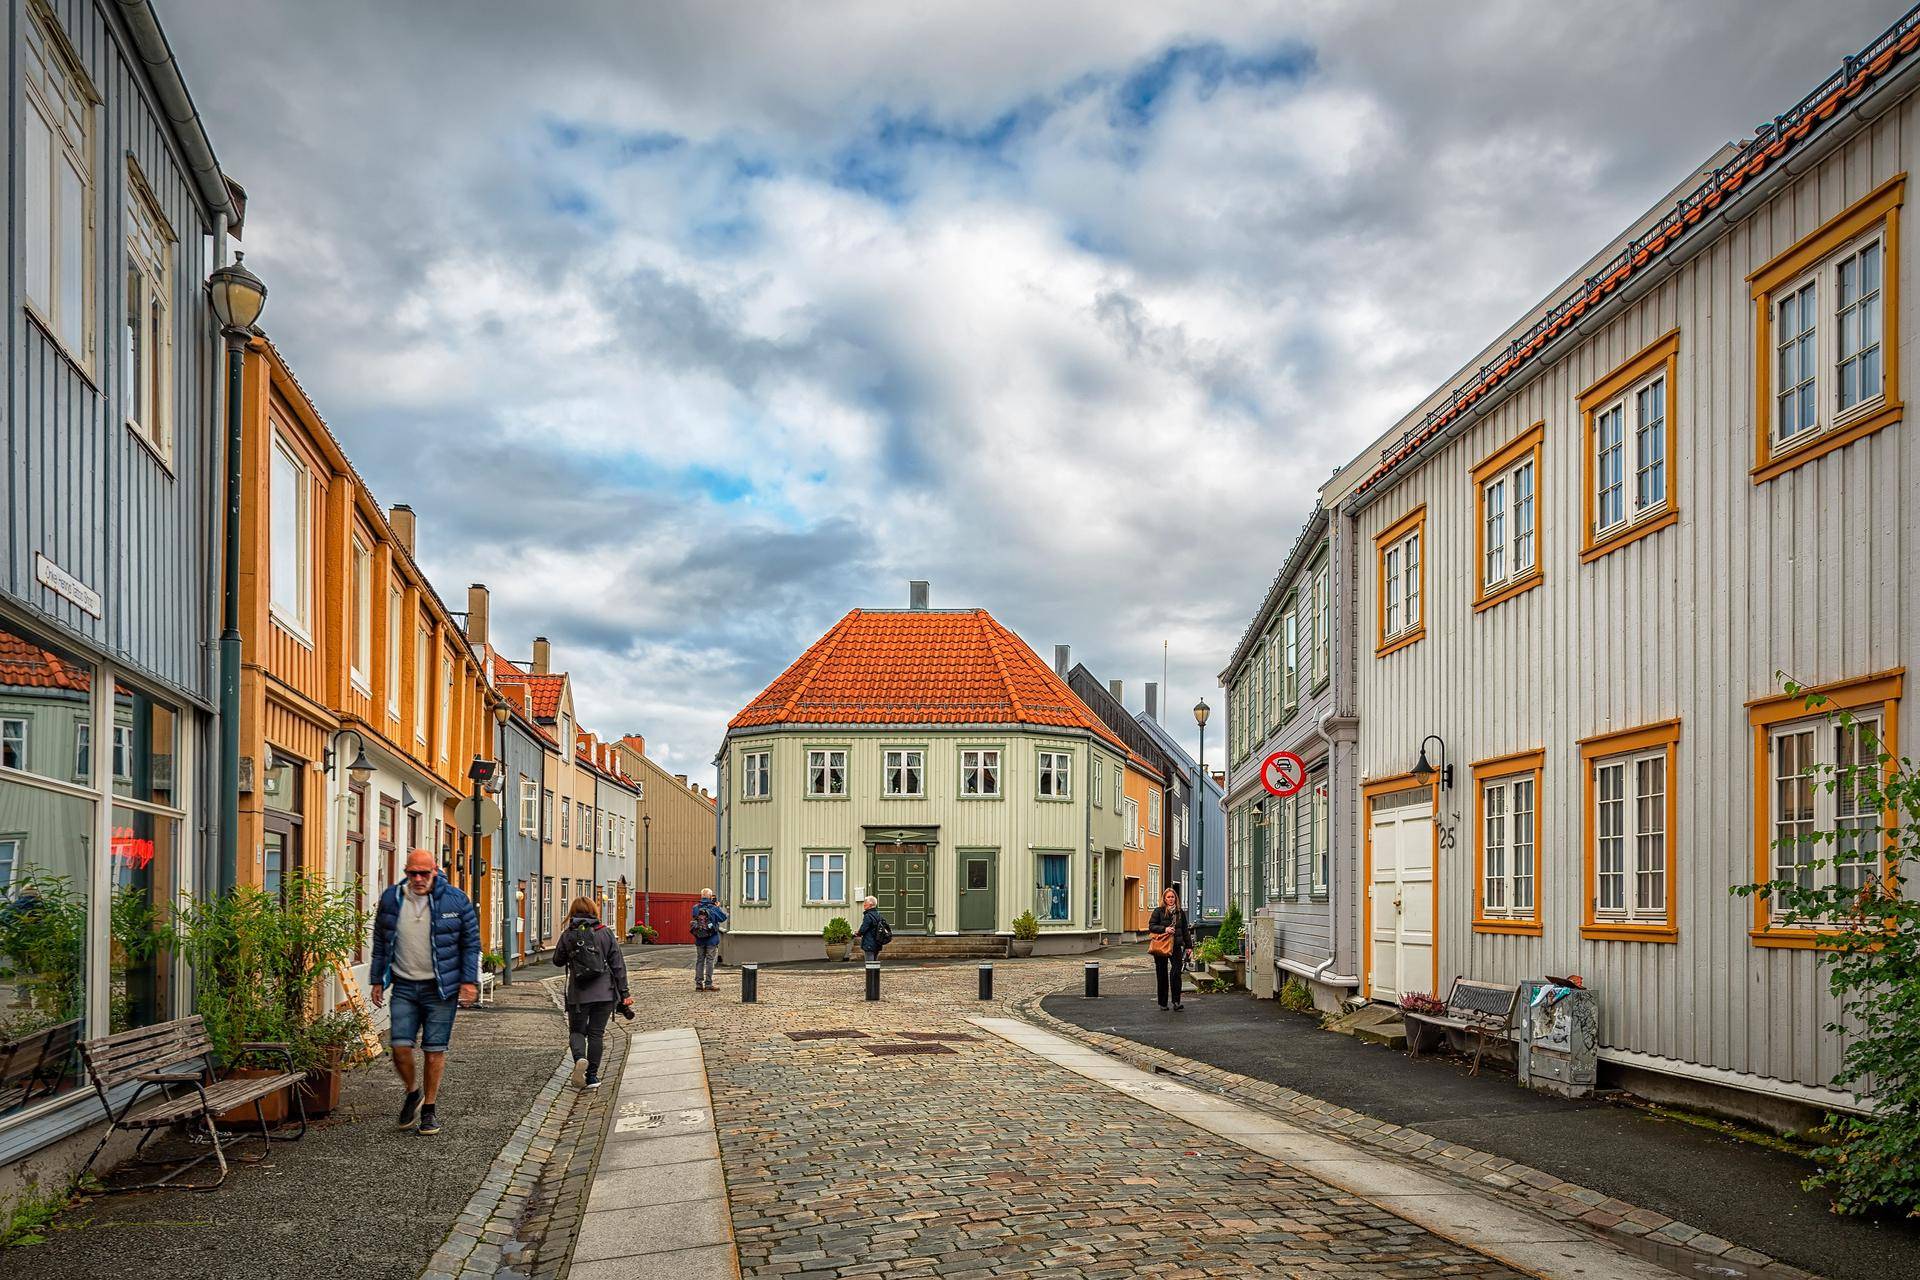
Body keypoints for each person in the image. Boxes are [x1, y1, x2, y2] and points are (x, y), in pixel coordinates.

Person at [370, 849, 480, 1136]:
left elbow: (471, 944)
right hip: (405, 985)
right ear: (406, 872)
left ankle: (429, 1110)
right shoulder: (392, 899)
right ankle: (412, 1091)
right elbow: (381, 942)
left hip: (440, 988)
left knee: (434, 1050)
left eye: (424, 873)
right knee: (399, 1046)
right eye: (412, 873)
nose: (418, 879)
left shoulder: (456, 900)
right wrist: (377, 979)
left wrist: (469, 981)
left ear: (435, 871)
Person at [553, 896, 631, 1089]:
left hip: (578, 994)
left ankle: (580, 1058)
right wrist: (625, 992)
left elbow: (557, 960)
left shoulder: (569, 934)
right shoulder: (605, 933)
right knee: (596, 1034)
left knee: (577, 1031)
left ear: (573, 912)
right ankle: (592, 1077)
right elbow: (617, 965)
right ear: (594, 910)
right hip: (605, 993)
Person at [1147, 884, 1191, 1012]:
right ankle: (1163, 1003)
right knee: (1161, 974)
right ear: (1164, 899)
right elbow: (1151, 926)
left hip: (1176, 945)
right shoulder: (1158, 911)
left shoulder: (1180, 912)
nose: (1171, 899)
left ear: (1175, 898)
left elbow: (1185, 930)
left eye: (1172, 897)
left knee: (1176, 972)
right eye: (1168, 897)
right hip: (1161, 945)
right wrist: (1165, 929)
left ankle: (1176, 1002)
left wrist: (1189, 946)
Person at [690, 888, 728, 992]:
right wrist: (718, 907)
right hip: (712, 939)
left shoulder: (695, 908)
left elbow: (694, 920)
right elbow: (723, 918)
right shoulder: (713, 908)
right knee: (710, 961)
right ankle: (708, 984)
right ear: (711, 897)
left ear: (701, 896)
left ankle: (698, 984)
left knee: (700, 960)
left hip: (699, 938)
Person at [855, 895, 891, 962]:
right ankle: (874, 972)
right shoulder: (878, 914)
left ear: (870, 904)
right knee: (874, 961)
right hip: (877, 941)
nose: (864, 904)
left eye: (865, 903)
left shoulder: (868, 916)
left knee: (869, 962)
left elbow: (863, 928)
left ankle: (870, 972)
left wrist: (858, 933)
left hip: (869, 942)